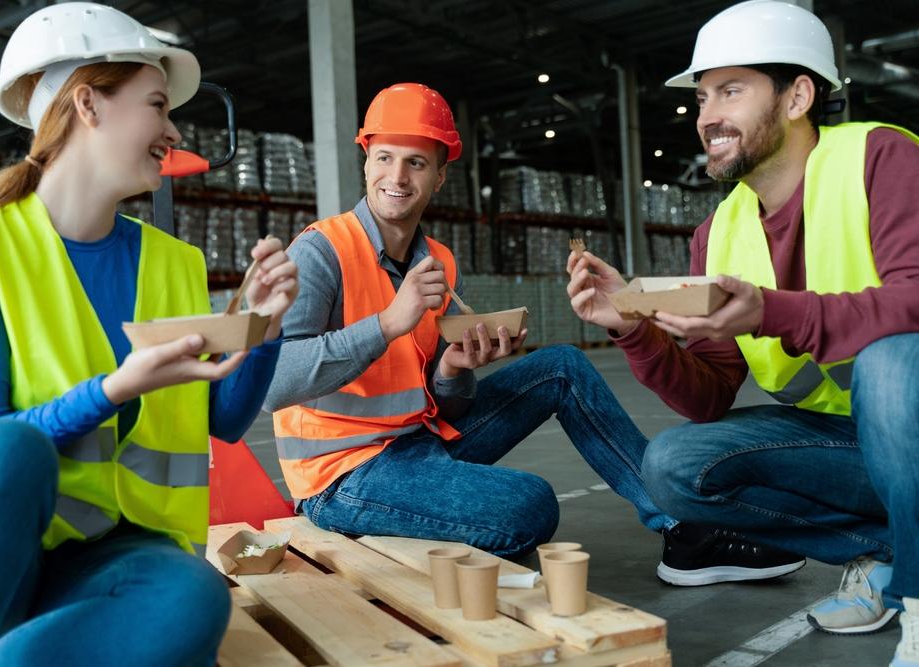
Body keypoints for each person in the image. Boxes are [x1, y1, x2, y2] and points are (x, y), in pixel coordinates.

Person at [263, 81, 801, 585]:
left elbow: (439, 405)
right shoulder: (319, 252)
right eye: (384, 158)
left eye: (416, 163)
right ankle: (380, 520)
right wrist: (387, 324)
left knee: (562, 365)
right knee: (530, 506)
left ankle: (684, 530)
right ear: (366, 161)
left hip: (416, 442)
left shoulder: (437, 262)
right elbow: (273, 383)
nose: (397, 177)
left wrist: (454, 369)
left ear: (440, 175)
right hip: (342, 476)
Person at [0, 3, 298, 665]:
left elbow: (226, 420)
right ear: (89, 104)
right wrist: (115, 389)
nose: (172, 128)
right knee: (12, 448)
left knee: (196, 595)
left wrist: (264, 326)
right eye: (157, 104)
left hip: (121, 558)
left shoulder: (176, 263)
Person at [567, 1, 918, 664]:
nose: (707, 116)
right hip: (849, 448)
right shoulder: (719, 232)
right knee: (674, 465)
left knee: (895, 363)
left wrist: (770, 312)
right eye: (702, 97)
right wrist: (633, 330)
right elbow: (708, 398)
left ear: (798, 96)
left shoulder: (881, 157)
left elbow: (915, 300)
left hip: (916, 417)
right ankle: (888, 553)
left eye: (731, 90)